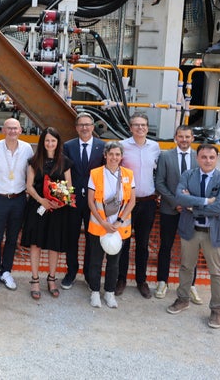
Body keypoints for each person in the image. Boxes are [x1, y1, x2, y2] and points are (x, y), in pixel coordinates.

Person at [166, 144, 220, 329]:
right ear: (197, 158)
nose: (207, 161)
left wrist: (193, 207)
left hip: (213, 233)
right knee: (186, 266)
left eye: (211, 157)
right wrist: (206, 201)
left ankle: (217, 309)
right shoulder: (188, 176)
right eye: (203, 157)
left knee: (216, 272)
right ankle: (183, 299)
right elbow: (180, 198)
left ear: (216, 159)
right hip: (191, 230)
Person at [0, 118, 34, 291]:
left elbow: (30, 174)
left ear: (20, 130)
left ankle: (6, 271)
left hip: (18, 199)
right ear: (3, 130)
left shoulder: (27, 149)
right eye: (9, 128)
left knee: (12, 238)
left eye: (15, 128)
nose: (12, 131)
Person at [21, 127, 73, 299]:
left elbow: (69, 186)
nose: (50, 144)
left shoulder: (65, 162)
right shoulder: (34, 161)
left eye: (53, 141)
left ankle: (51, 279)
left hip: (57, 211)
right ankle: (35, 280)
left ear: (58, 143)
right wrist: (42, 200)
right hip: (37, 208)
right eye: (47, 141)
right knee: (35, 244)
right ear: (42, 142)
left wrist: (60, 202)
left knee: (54, 245)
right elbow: (29, 186)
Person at [154, 125, 202, 304]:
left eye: (187, 137)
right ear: (175, 137)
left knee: (191, 249)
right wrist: (176, 203)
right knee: (165, 246)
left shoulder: (199, 157)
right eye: (181, 136)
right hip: (169, 210)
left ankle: (190, 285)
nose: (184, 140)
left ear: (192, 138)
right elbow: (160, 183)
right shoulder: (165, 156)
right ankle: (162, 282)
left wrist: (190, 203)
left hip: (191, 212)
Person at [86, 142, 135, 308]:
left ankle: (109, 292)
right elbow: (91, 201)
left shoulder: (128, 174)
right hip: (99, 226)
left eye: (117, 154)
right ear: (105, 155)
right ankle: (94, 292)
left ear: (121, 157)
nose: (114, 157)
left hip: (119, 228)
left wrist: (119, 222)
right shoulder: (95, 173)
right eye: (111, 154)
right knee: (95, 261)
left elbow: (132, 201)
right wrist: (103, 222)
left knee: (114, 262)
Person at [118, 112, 160, 298]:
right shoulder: (122, 146)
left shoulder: (155, 147)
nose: (140, 128)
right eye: (136, 125)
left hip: (147, 202)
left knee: (143, 244)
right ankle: (121, 279)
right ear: (130, 128)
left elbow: (158, 172)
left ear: (147, 128)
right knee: (123, 243)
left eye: (143, 125)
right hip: (126, 204)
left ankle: (141, 281)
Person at [62, 112, 105, 289]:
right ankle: (71, 272)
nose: (85, 128)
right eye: (81, 125)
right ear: (76, 128)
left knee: (92, 239)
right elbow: (64, 171)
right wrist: (66, 195)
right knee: (71, 237)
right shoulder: (68, 146)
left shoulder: (102, 146)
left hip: (94, 201)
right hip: (73, 200)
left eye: (88, 124)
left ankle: (89, 274)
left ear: (93, 127)